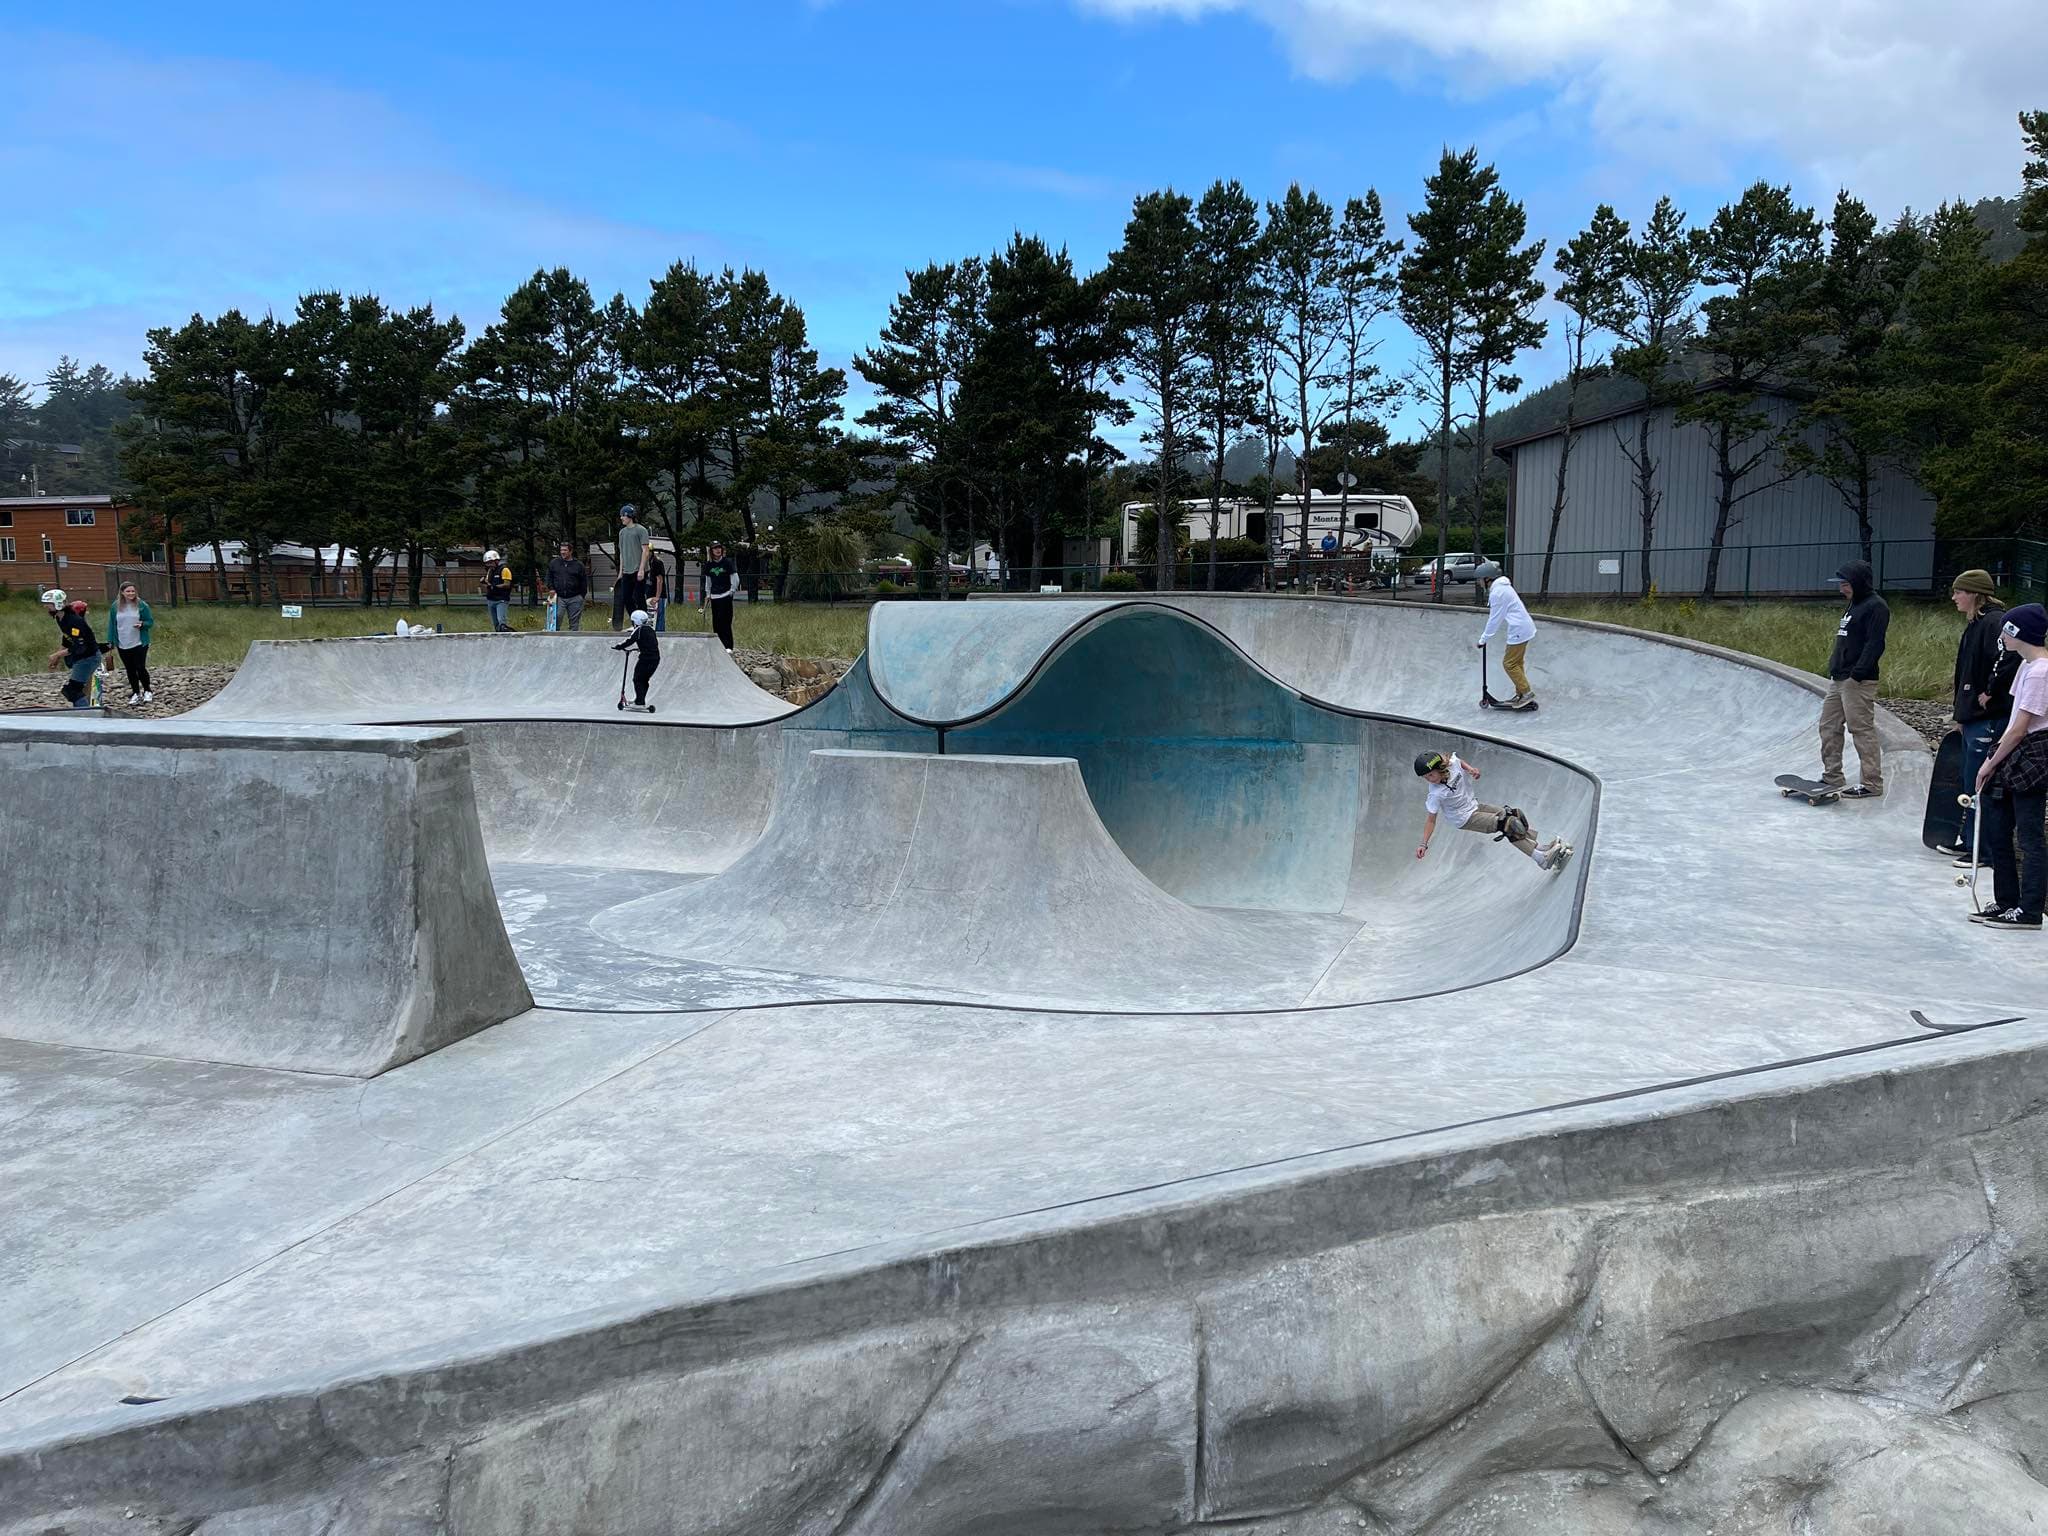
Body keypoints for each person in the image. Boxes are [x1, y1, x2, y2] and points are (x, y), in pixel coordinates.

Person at [1971, 603, 2048, 930]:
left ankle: (2029, 910)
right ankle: (2006, 901)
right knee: (1998, 828)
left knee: (2029, 835)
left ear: (2018, 633)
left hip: (2033, 754)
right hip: (2014, 751)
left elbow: (2022, 727)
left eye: (2006, 630)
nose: (2001, 635)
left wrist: (1988, 764)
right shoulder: (2026, 667)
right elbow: (2013, 719)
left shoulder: (2042, 671)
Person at [1944, 569, 2017, 862]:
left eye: (1958, 592)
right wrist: (1961, 714)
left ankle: (1983, 850)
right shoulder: (1976, 623)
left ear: (1973, 593)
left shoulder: (1993, 622)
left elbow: (2009, 657)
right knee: (1968, 780)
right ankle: (1970, 841)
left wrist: (1991, 692)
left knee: (1980, 782)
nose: (1953, 598)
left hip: (1988, 717)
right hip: (1973, 716)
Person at [1413, 749, 1571, 872]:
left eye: (1431, 775)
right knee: (1508, 824)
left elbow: (1459, 762)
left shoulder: (1452, 764)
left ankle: (1538, 847)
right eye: (1426, 777)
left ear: (1441, 767)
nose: (1430, 780)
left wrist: (1471, 770)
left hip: (1474, 806)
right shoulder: (1435, 793)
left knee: (1513, 814)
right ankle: (1541, 859)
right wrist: (1423, 844)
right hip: (1464, 818)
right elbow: (1431, 820)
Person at [1819, 558, 1889, 798]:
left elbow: (1875, 643)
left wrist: (1857, 674)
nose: (1841, 588)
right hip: (1838, 678)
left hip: (1857, 681)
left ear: (1858, 582)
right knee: (1828, 726)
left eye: (1845, 584)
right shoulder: (1853, 604)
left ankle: (1871, 783)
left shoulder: (1876, 606)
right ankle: (1832, 775)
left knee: (1861, 729)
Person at [1474, 561, 1538, 705]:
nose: (1478, 583)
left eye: (1479, 579)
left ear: (1487, 579)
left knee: (1509, 664)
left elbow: (1495, 619)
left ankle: (1526, 693)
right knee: (1517, 663)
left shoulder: (1498, 593)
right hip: (1524, 627)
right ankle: (1521, 694)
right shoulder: (1503, 587)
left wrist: (1483, 639)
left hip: (1519, 630)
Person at [42, 590, 100, 709]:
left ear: (57, 604)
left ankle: (86, 714)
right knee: (74, 689)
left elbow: (80, 646)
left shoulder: (74, 621)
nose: (46, 606)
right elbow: (67, 639)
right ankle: (81, 711)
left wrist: (57, 655)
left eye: (49, 603)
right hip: (81, 657)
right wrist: (57, 657)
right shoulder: (60, 618)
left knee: (72, 691)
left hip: (88, 658)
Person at [107, 582, 155, 705]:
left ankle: (147, 690)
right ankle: (135, 693)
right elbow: (112, 624)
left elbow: (149, 621)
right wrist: (111, 640)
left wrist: (142, 624)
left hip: (139, 641)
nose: (131, 593)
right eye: (128, 591)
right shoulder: (115, 606)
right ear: (122, 592)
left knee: (140, 667)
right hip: (122, 642)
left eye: (133, 591)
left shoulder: (142, 605)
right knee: (130, 669)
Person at [612, 608, 660, 711]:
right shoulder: (650, 629)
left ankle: (640, 703)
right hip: (655, 658)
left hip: (646, 659)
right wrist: (641, 648)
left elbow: (629, 640)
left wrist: (618, 646)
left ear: (636, 621)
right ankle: (640, 700)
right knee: (644, 679)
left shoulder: (638, 630)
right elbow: (652, 643)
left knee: (637, 679)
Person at [612, 505, 649, 630]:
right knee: (626, 597)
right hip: (627, 570)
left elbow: (645, 551)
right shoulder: (622, 533)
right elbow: (622, 553)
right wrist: (620, 572)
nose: (621, 518)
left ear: (629, 516)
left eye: (623, 515)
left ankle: (644, 623)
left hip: (639, 570)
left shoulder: (641, 530)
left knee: (639, 597)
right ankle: (635, 622)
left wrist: (641, 569)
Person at [702, 539, 739, 652]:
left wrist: (731, 591)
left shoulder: (727, 562)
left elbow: (735, 578)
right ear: (711, 551)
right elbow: (708, 581)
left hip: (726, 595)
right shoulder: (709, 565)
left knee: (726, 622)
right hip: (714, 596)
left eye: (719, 548)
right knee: (716, 622)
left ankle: (728, 646)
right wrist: (708, 594)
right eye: (715, 548)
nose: (717, 550)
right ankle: (719, 646)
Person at [545, 542, 588, 631]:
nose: (562, 552)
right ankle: (554, 637)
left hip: (575, 597)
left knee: (574, 621)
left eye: (565, 550)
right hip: (559, 597)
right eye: (561, 550)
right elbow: (549, 576)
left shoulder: (578, 565)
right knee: (556, 617)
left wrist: (581, 596)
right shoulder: (554, 563)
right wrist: (551, 588)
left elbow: (584, 581)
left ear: (570, 551)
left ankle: (573, 638)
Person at [481, 549, 514, 632]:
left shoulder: (504, 570)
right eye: (487, 563)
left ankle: (512, 634)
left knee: (502, 623)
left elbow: (507, 584)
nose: (489, 565)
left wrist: (494, 586)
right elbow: (488, 582)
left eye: (490, 562)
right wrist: (484, 581)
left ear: (496, 561)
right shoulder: (490, 571)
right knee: (496, 625)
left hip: (501, 599)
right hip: (491, 599)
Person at [644, 549, 669, 631]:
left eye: (648, 552)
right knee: (651, 619)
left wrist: (657, 596)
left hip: (658, 596)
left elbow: (660, 580)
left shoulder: (657, 562)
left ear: (651, 552)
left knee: (659, 617)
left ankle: (660, 635)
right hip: (650, 595)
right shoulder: (647, 562)